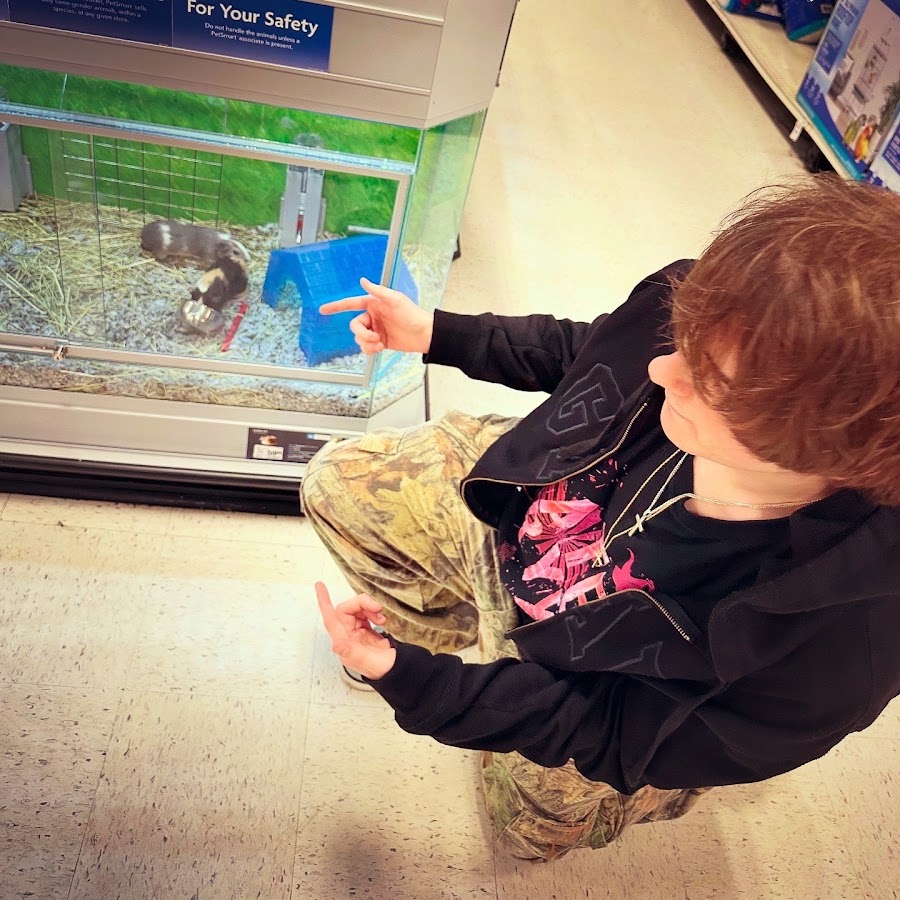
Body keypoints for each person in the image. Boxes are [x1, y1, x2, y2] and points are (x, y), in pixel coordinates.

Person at [301, 175, 900, 862]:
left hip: (629, 679)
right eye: (685, 337)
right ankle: (465, 632)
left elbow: (612, 726)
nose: (664, 370)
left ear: (828, 446)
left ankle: (618, 766)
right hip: (542, 522)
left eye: (712, 383)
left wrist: (422, 684)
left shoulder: (836, 649)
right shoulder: (717, 330)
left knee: (529, 819)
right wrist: (439, 333)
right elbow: (598, 350)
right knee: (337, 483)